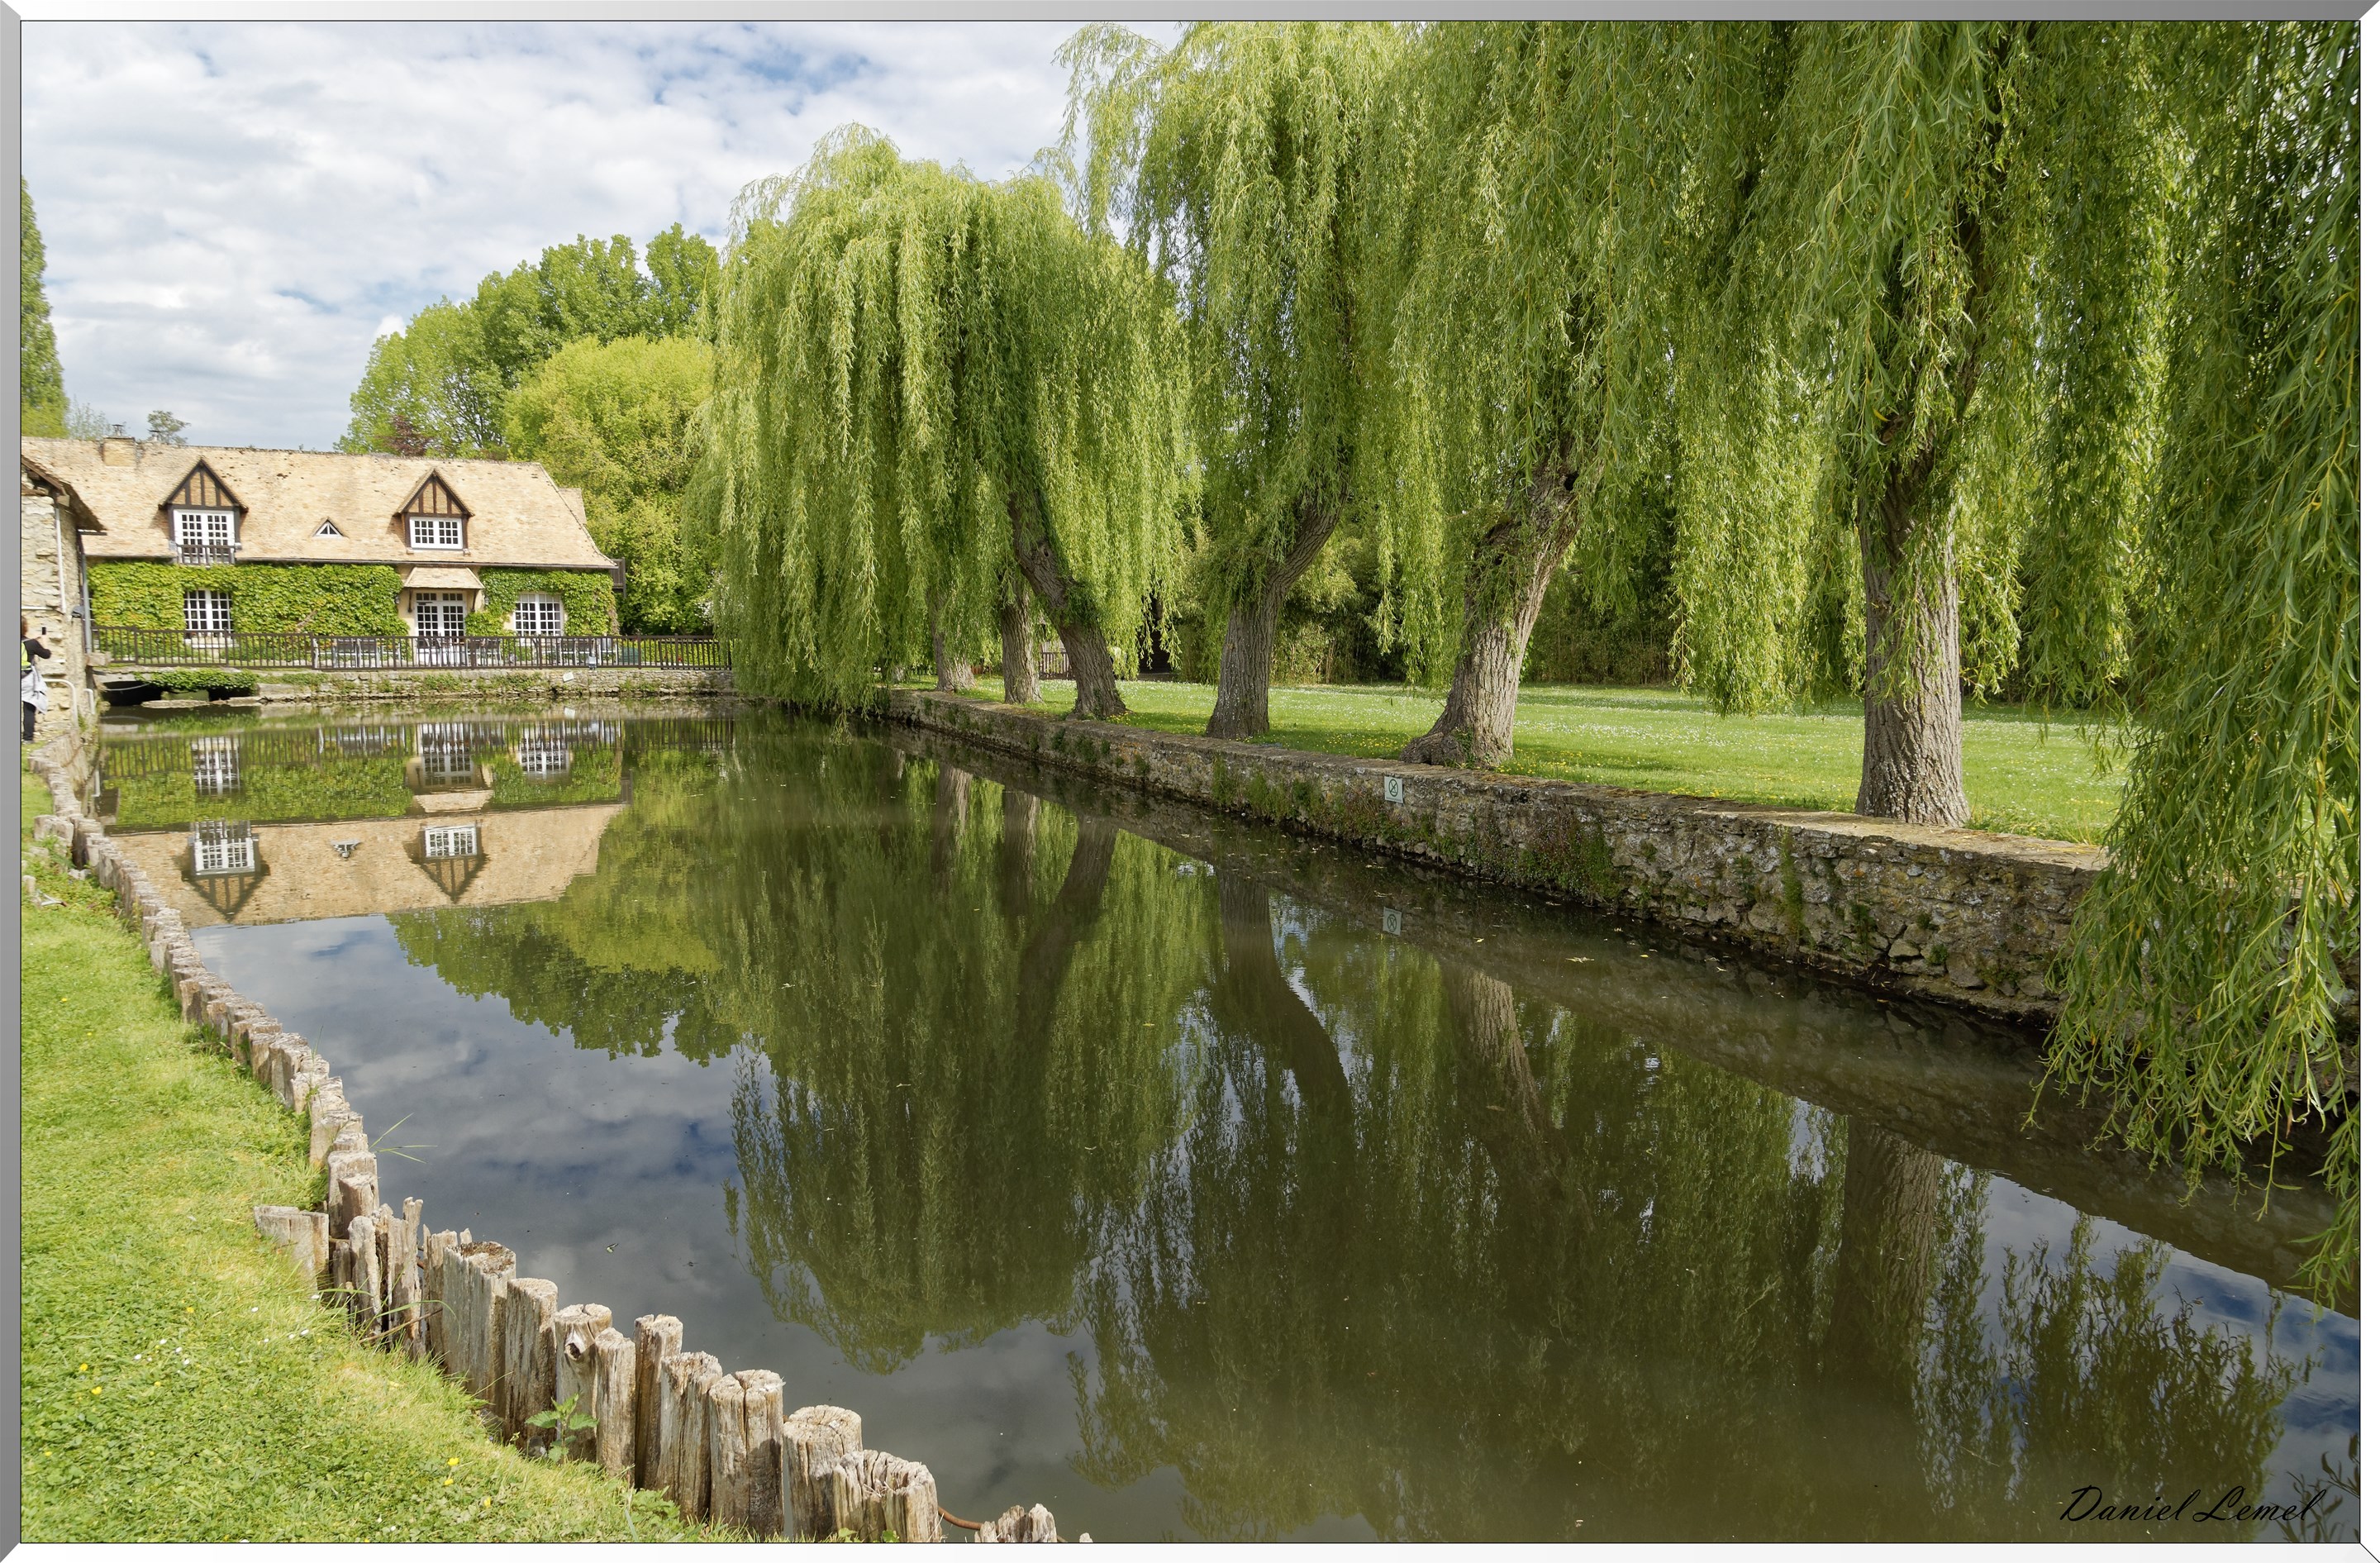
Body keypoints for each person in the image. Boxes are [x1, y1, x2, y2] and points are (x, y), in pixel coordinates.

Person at [22, 615, 53, 742]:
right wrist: (44, 643)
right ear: (25, 627)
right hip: (26, 678)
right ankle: (28, 739)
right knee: (29, 708)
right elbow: (46, 655)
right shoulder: (31, 644)